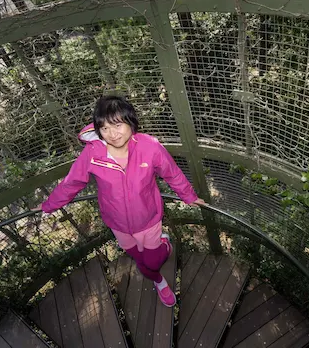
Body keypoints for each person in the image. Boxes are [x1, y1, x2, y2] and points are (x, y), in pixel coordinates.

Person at [34, 96, 205, 307]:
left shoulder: (149, 147)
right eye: (104, 128)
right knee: (139, 258)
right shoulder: (93, 154)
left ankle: (164, 247)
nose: (112, 134)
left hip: (148, 219)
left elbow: (172, 173)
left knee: (152, 260)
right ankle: (159, 281)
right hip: (117, 223)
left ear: (130, 121)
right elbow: (72, 182)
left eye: (117, 125)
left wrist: (189, 196)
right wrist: (49, 205)